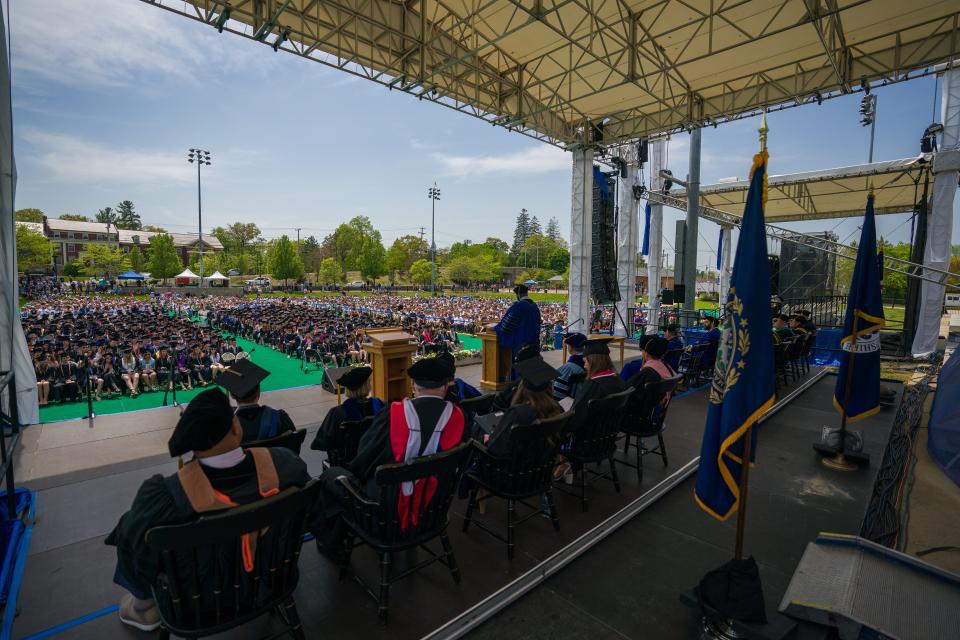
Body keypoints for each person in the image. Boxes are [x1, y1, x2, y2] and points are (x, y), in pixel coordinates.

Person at [104, 388, 312, 633]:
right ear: (236, 429)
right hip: (272, 577)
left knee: (130, 525)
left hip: (197, 602)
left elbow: (134, 545)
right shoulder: (284, 463)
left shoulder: (165, 495)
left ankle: (142, 606)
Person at [314, 355, 468, 555]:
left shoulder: (393, 415)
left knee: (332, 476)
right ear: (446, 386)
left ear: (413, 385)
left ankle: (331, 543)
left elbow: (365, 458)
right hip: (434, 507)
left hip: (387, 511)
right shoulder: (458, 417)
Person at [486, 356, 563, 458]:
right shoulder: (557, 409)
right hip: (541, 467)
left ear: (522, 387)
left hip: (511, 469)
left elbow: (495, 448)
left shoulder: (518, 413)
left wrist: (490, 438)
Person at [217, 358, 296, 443]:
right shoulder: (279, 418)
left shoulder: (226, 426)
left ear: (232, 395)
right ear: (258, 392)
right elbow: (294, 444)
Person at [311, 366, 385, 452]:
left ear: (347, 389)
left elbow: (323, 443)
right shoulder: (381, 406)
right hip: (378, 458)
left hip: (349, 462)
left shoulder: (337, 413)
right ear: (368, 385)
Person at [494, 284, 542, 372]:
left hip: (521, 344)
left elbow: (506, 325)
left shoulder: (518, 306)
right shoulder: (535, 306)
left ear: (518, 294)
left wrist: (496, 329)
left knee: (520, 369)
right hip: (534, 343)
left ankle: (519, 385)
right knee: (531, 369)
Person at [553, 332, 587, 400]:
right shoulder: (591, 363)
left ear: (570, 347)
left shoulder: (568, 368)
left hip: (569, 406)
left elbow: (557, 395)